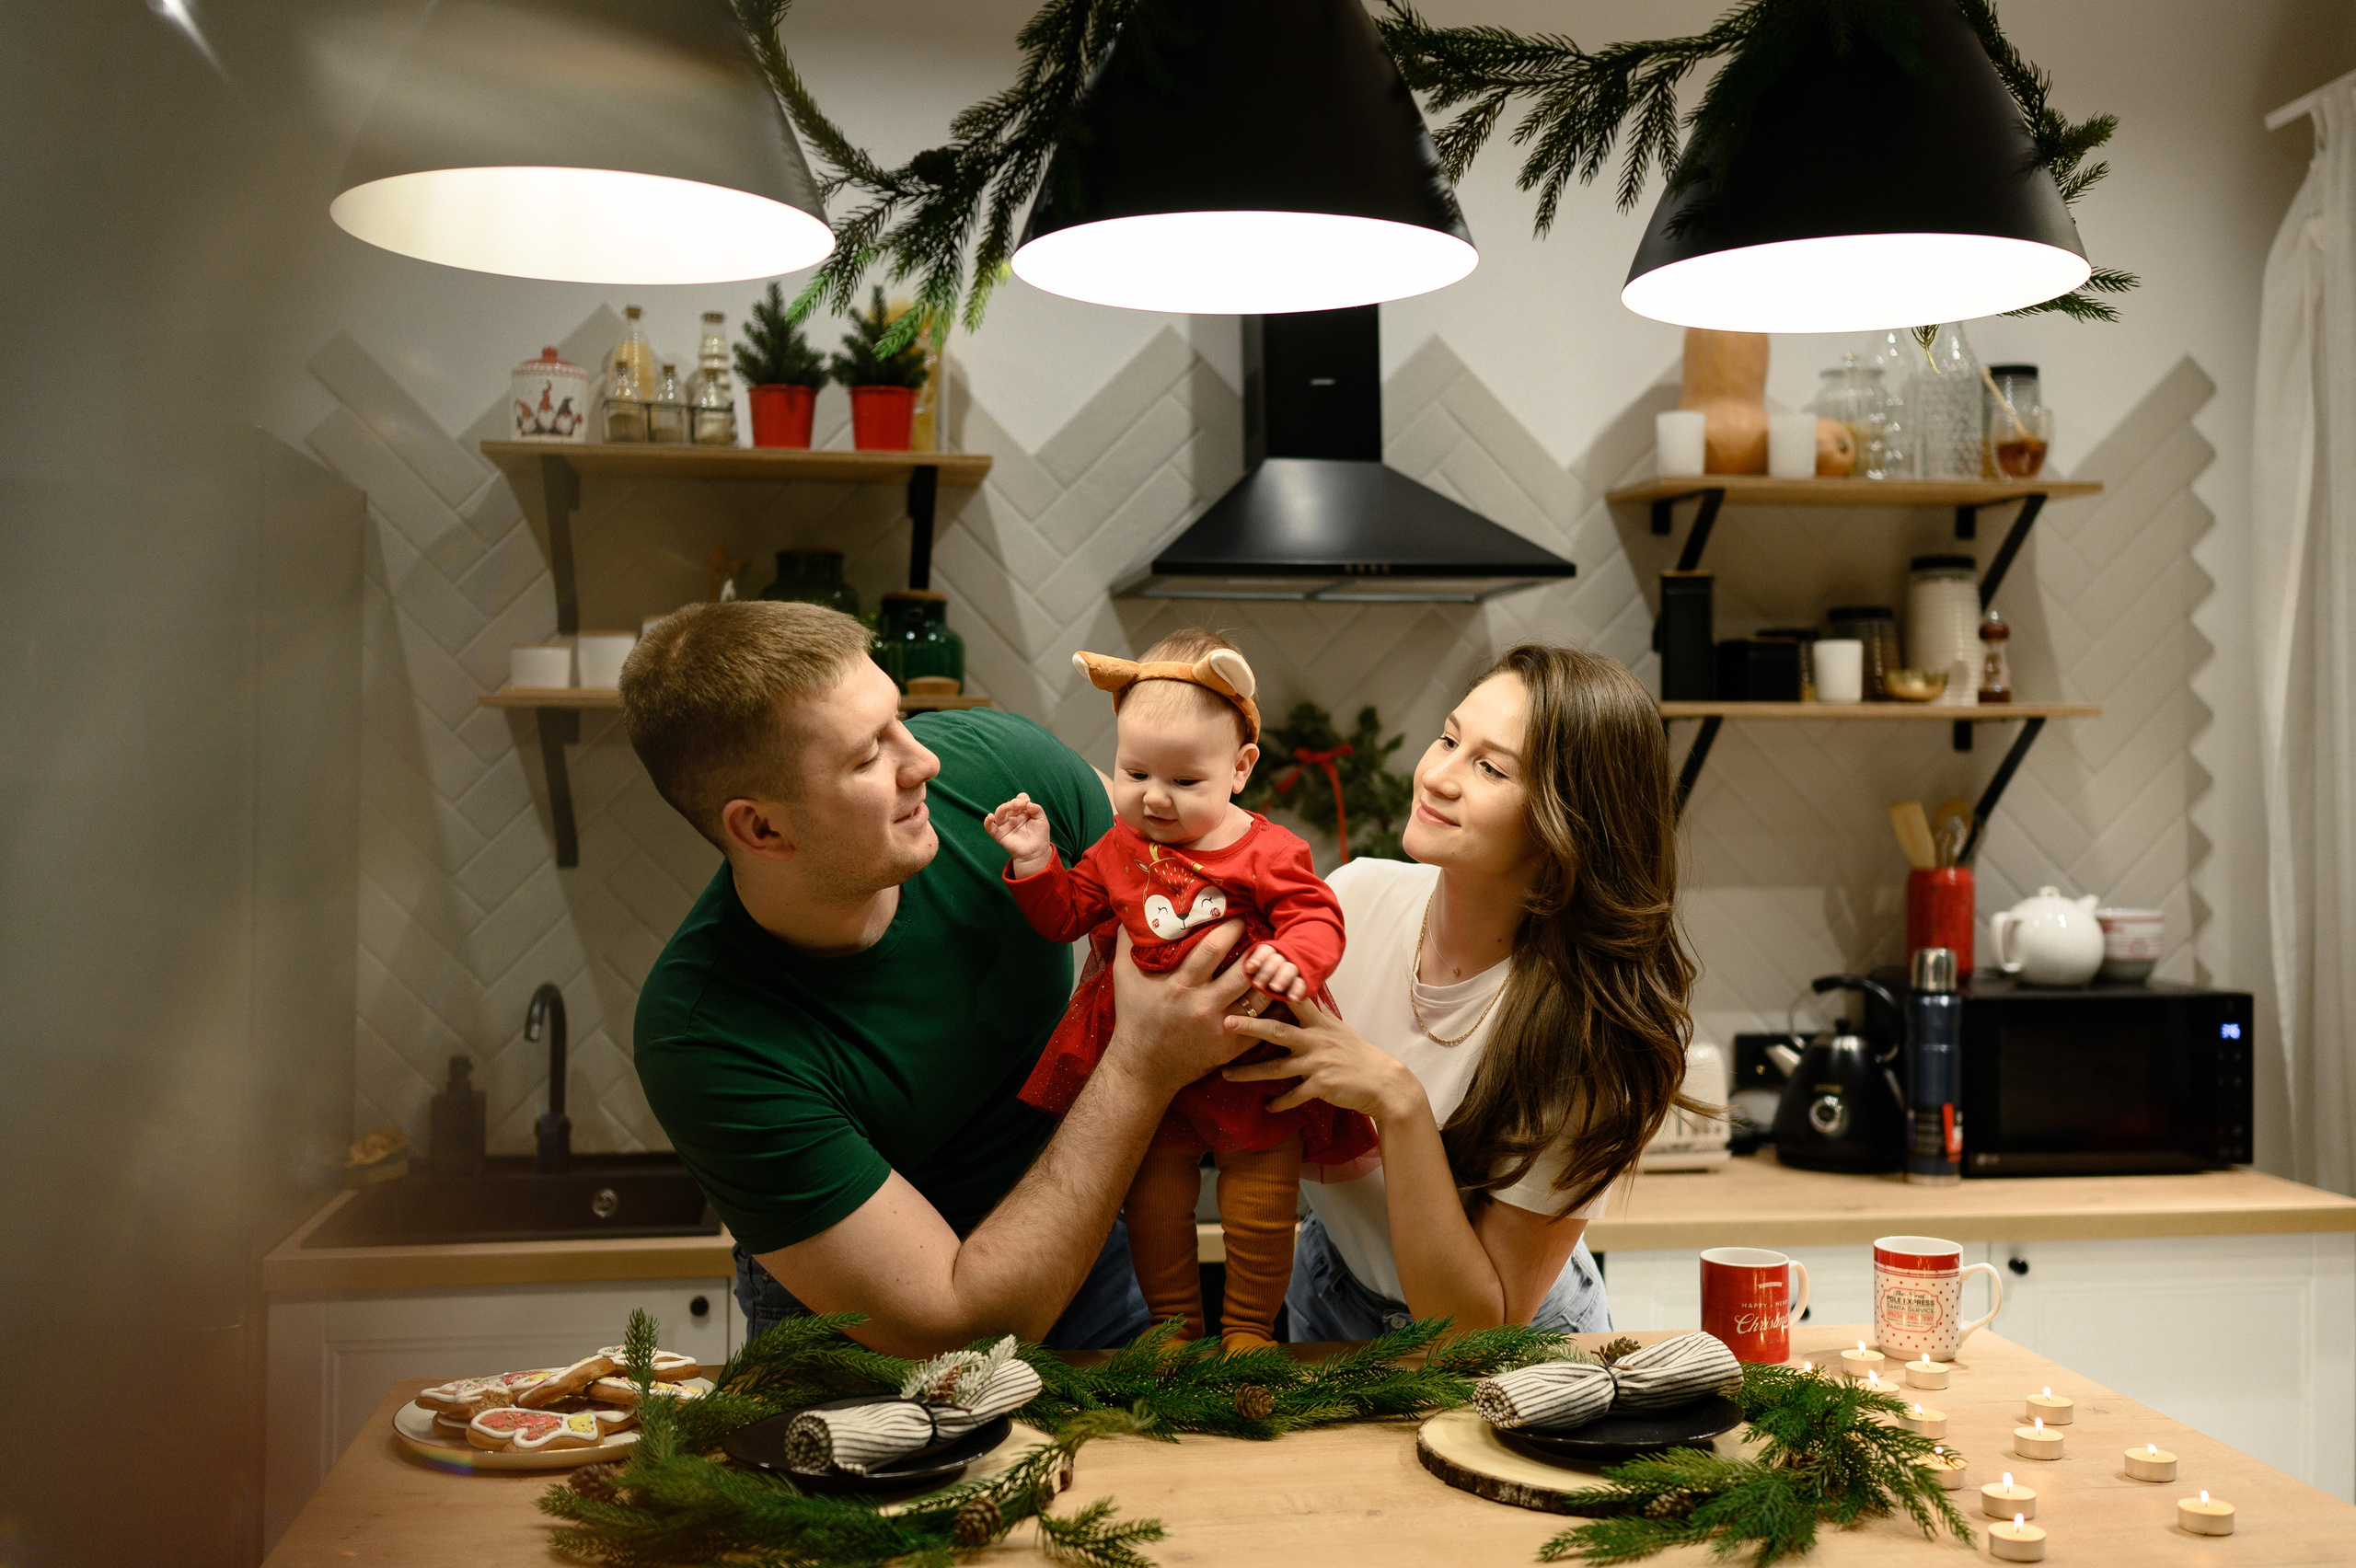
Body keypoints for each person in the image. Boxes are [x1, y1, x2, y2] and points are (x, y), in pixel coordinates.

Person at [618, 601, 1260, 1358]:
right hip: (871, 1328)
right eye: (867, 758)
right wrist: (1139, 1067)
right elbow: (955, 1327)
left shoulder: (1005, 773)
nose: (923, 762)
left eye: (900, 719)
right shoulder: (705, 1037)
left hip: (1092, 1244)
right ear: (762, 828)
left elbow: (1185, 880)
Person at [1223, 645, 1700, 1338]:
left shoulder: (1585, 1036)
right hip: (1329, 1292)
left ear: (1568, 821)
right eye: (1448, 739)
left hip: (1506, 1344)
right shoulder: (1349, 904)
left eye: (1490, 768)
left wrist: (1399, 1102)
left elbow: (1473, 1332)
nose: (1437, 776)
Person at [983, 629, 1375, 1349]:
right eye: (1134, 772)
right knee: (1153, 1207)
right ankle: (1172, 1330)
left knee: (1260, 1206)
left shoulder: (1267, 849)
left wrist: (1295, 957)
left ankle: (1250, 1331)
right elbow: (1066, 916)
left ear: (1240, 768)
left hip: (1254, 1065)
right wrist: (1036, 862)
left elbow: (1317, 914)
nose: (1155, 798)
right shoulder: (1117, 848)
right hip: (1150, 1068)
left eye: (1186, 782)